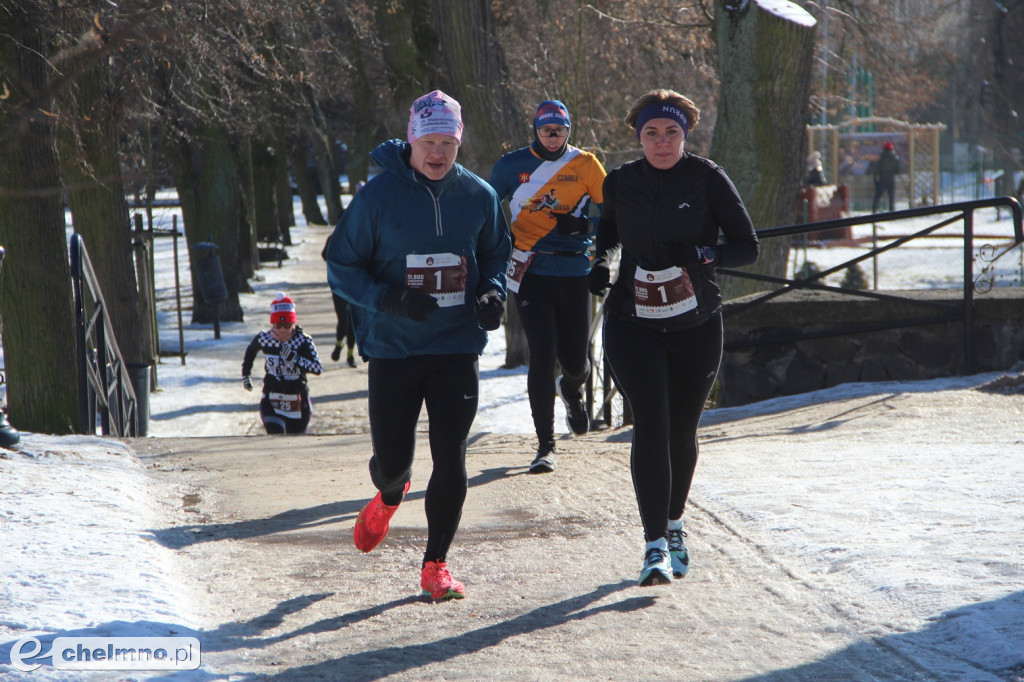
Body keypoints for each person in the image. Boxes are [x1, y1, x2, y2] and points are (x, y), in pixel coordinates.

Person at [325, 90, 511, 601]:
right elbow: (340, 265)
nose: (438, 153)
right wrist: (387, 298)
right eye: (429, 141)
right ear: (411, 140)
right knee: (393, 461)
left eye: (448, 143)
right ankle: (389, 493)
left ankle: (437, 565)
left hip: (455, 346)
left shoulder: (477, 196)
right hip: (393, 347)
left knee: (451, 454)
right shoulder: (376, 197)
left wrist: (493, 291)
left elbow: (498, 251)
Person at [587, 89, 759, 586]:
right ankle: (654, 546)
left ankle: (675, 523)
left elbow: (746, 247)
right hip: (633, 321)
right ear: (638, 136)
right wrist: (601, 263)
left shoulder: (707, 179)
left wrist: (704, 255)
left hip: (696, 325)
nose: (661, 142)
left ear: (686, 134)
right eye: (651, 133)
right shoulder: (620, 181)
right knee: (651, 424)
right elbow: (609, 233)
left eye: (671, 133)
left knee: (681, 431)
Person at [488, 100, 607, 473]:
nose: (553, 137)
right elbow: (486, 210)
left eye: (559, 131)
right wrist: (501, 244)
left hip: (573, 271)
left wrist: (586, 228)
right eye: (546, 131)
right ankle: (546, 445)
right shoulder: (511, 165)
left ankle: (572, 390)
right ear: (535, 131)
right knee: (541, 354)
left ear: (569, 130)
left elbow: (613, 217)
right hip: (529, 271)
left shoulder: (587, 165)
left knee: (576, 360)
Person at [241, 293, 323, 434]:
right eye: (279, 325)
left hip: (298, 400)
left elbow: (317, 368)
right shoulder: (264, 338)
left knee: (294, 444)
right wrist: (246, 375)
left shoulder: (303, 341)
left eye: (287, 325)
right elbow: (250, 353)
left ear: (293, 324)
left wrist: (295, 358)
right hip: (271, 398)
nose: (283, 330)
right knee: (276, 438)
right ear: (273, 324)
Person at [321, 180, 366, 367]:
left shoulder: (359, 239)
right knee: (343, 321)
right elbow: (325, 255)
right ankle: (339, 345)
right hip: (339, 286)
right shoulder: (333, 238)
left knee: (354, 321)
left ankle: (350, 355)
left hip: (355, 286)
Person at [871, 141, 901, 213]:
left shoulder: (881, 158)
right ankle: (891, 211)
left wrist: (875, 179)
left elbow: (877, 169)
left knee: (877, 196)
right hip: (891, 179)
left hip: (883, 179)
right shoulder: (895, 158)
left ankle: (874, 210)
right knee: (891, 197)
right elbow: (898, 170)